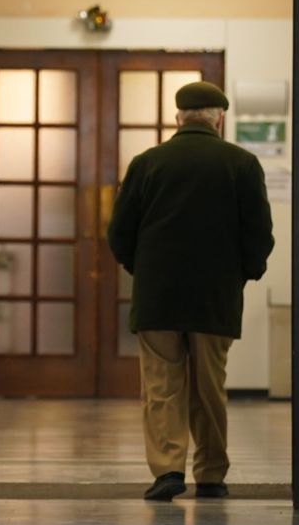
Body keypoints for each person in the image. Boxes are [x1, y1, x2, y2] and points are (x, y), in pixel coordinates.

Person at [107, 81, 274, 502]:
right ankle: (211, 474)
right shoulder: (241, 164)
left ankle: (167, 470)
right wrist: (242, 274)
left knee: (162, 385)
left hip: (158, 296)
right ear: (219, 118)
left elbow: (119, 234)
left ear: (178, 118)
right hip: (214, 297)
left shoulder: (147, 164)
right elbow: (260, 235)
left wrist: (141, 269)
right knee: (209, 386)